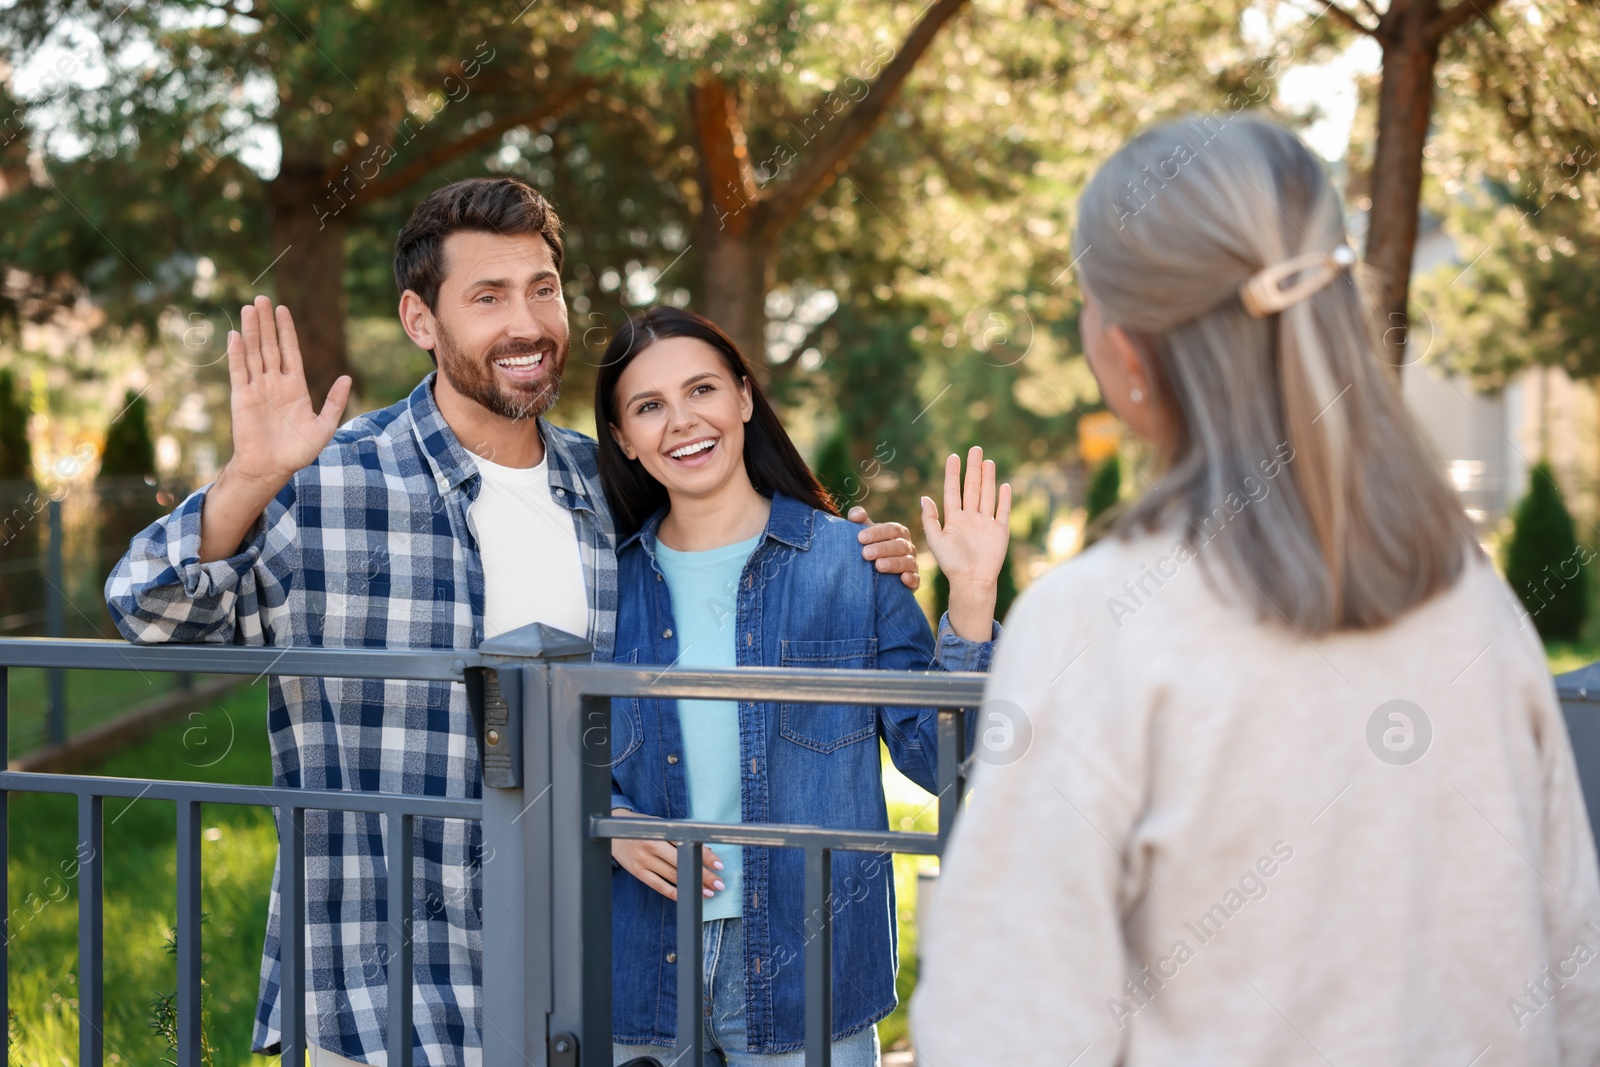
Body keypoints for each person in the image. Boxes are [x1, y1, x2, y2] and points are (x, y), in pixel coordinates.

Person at [104, 178, 921, 1067]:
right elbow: (150, 611)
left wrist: (855, 555)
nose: (526, 323)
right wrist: (248, 480)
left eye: (542, 288)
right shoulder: (334, 482)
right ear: (421, 321)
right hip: (389, 983)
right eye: (487, 297)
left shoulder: (604, 489)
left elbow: (709, 578)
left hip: (578, 979)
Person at [912, 114, 1600, 1065]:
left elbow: (1008, 1029)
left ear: (1127, 349)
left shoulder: (1094, 626)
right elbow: (1571, 972)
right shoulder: (1473, 601)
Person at [594, 307, 1012, 1066]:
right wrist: (608, 814)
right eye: (649, 406)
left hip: (807, 972)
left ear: (745, 398)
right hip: (639, 971)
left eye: (702, 390)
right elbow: (555, 749)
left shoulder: (851, 564)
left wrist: (974, 597)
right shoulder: (601, 584)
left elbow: (942, 762)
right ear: (623, 437)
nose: (682, 421)